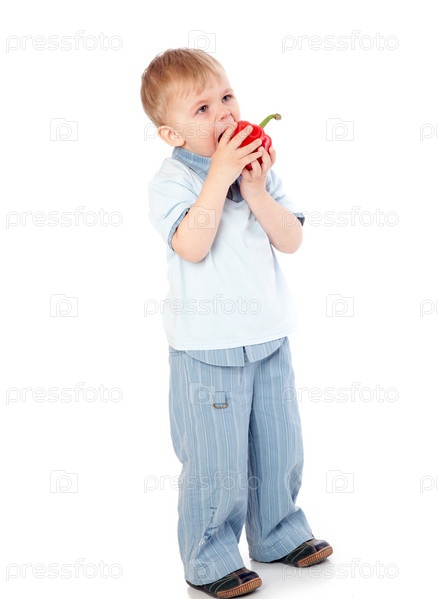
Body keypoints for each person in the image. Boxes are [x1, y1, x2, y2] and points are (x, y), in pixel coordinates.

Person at [141, 48, 333, 598]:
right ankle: (210, 556)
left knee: (279, 446)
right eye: (202, 109)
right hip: (208, 349)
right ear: (171, 134)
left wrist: (253, 188)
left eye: (227, 96)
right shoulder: (172, 180)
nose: (224, 112)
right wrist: (219, 176)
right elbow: (192, 246)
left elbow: (291, 240)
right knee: (216, 462)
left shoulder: (259, 170)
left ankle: (277, 531)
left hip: (269, 336)